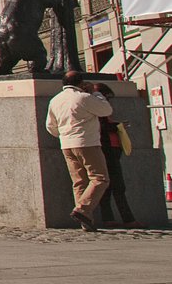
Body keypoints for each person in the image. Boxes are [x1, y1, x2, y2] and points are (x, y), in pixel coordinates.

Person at [44, 70, 112, 231]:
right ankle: (83, 210)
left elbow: (50, 126)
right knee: (100, 178)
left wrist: (63, 135)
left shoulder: (55, 100)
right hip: (86, 142)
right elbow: (106, 110)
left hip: (66, 144)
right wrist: (96, 92)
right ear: (81, 83)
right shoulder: (84, 98)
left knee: (79, 181)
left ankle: (86, 221)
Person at [94, 84, 140, 228]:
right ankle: (127, 219)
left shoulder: (100, 108)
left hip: (110, 148)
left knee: (109, 186)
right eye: (107, 98)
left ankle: (109, 218)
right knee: (117, 185)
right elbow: (102, 127)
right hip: (107, 148)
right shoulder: (99, 108)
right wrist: (118, 126)